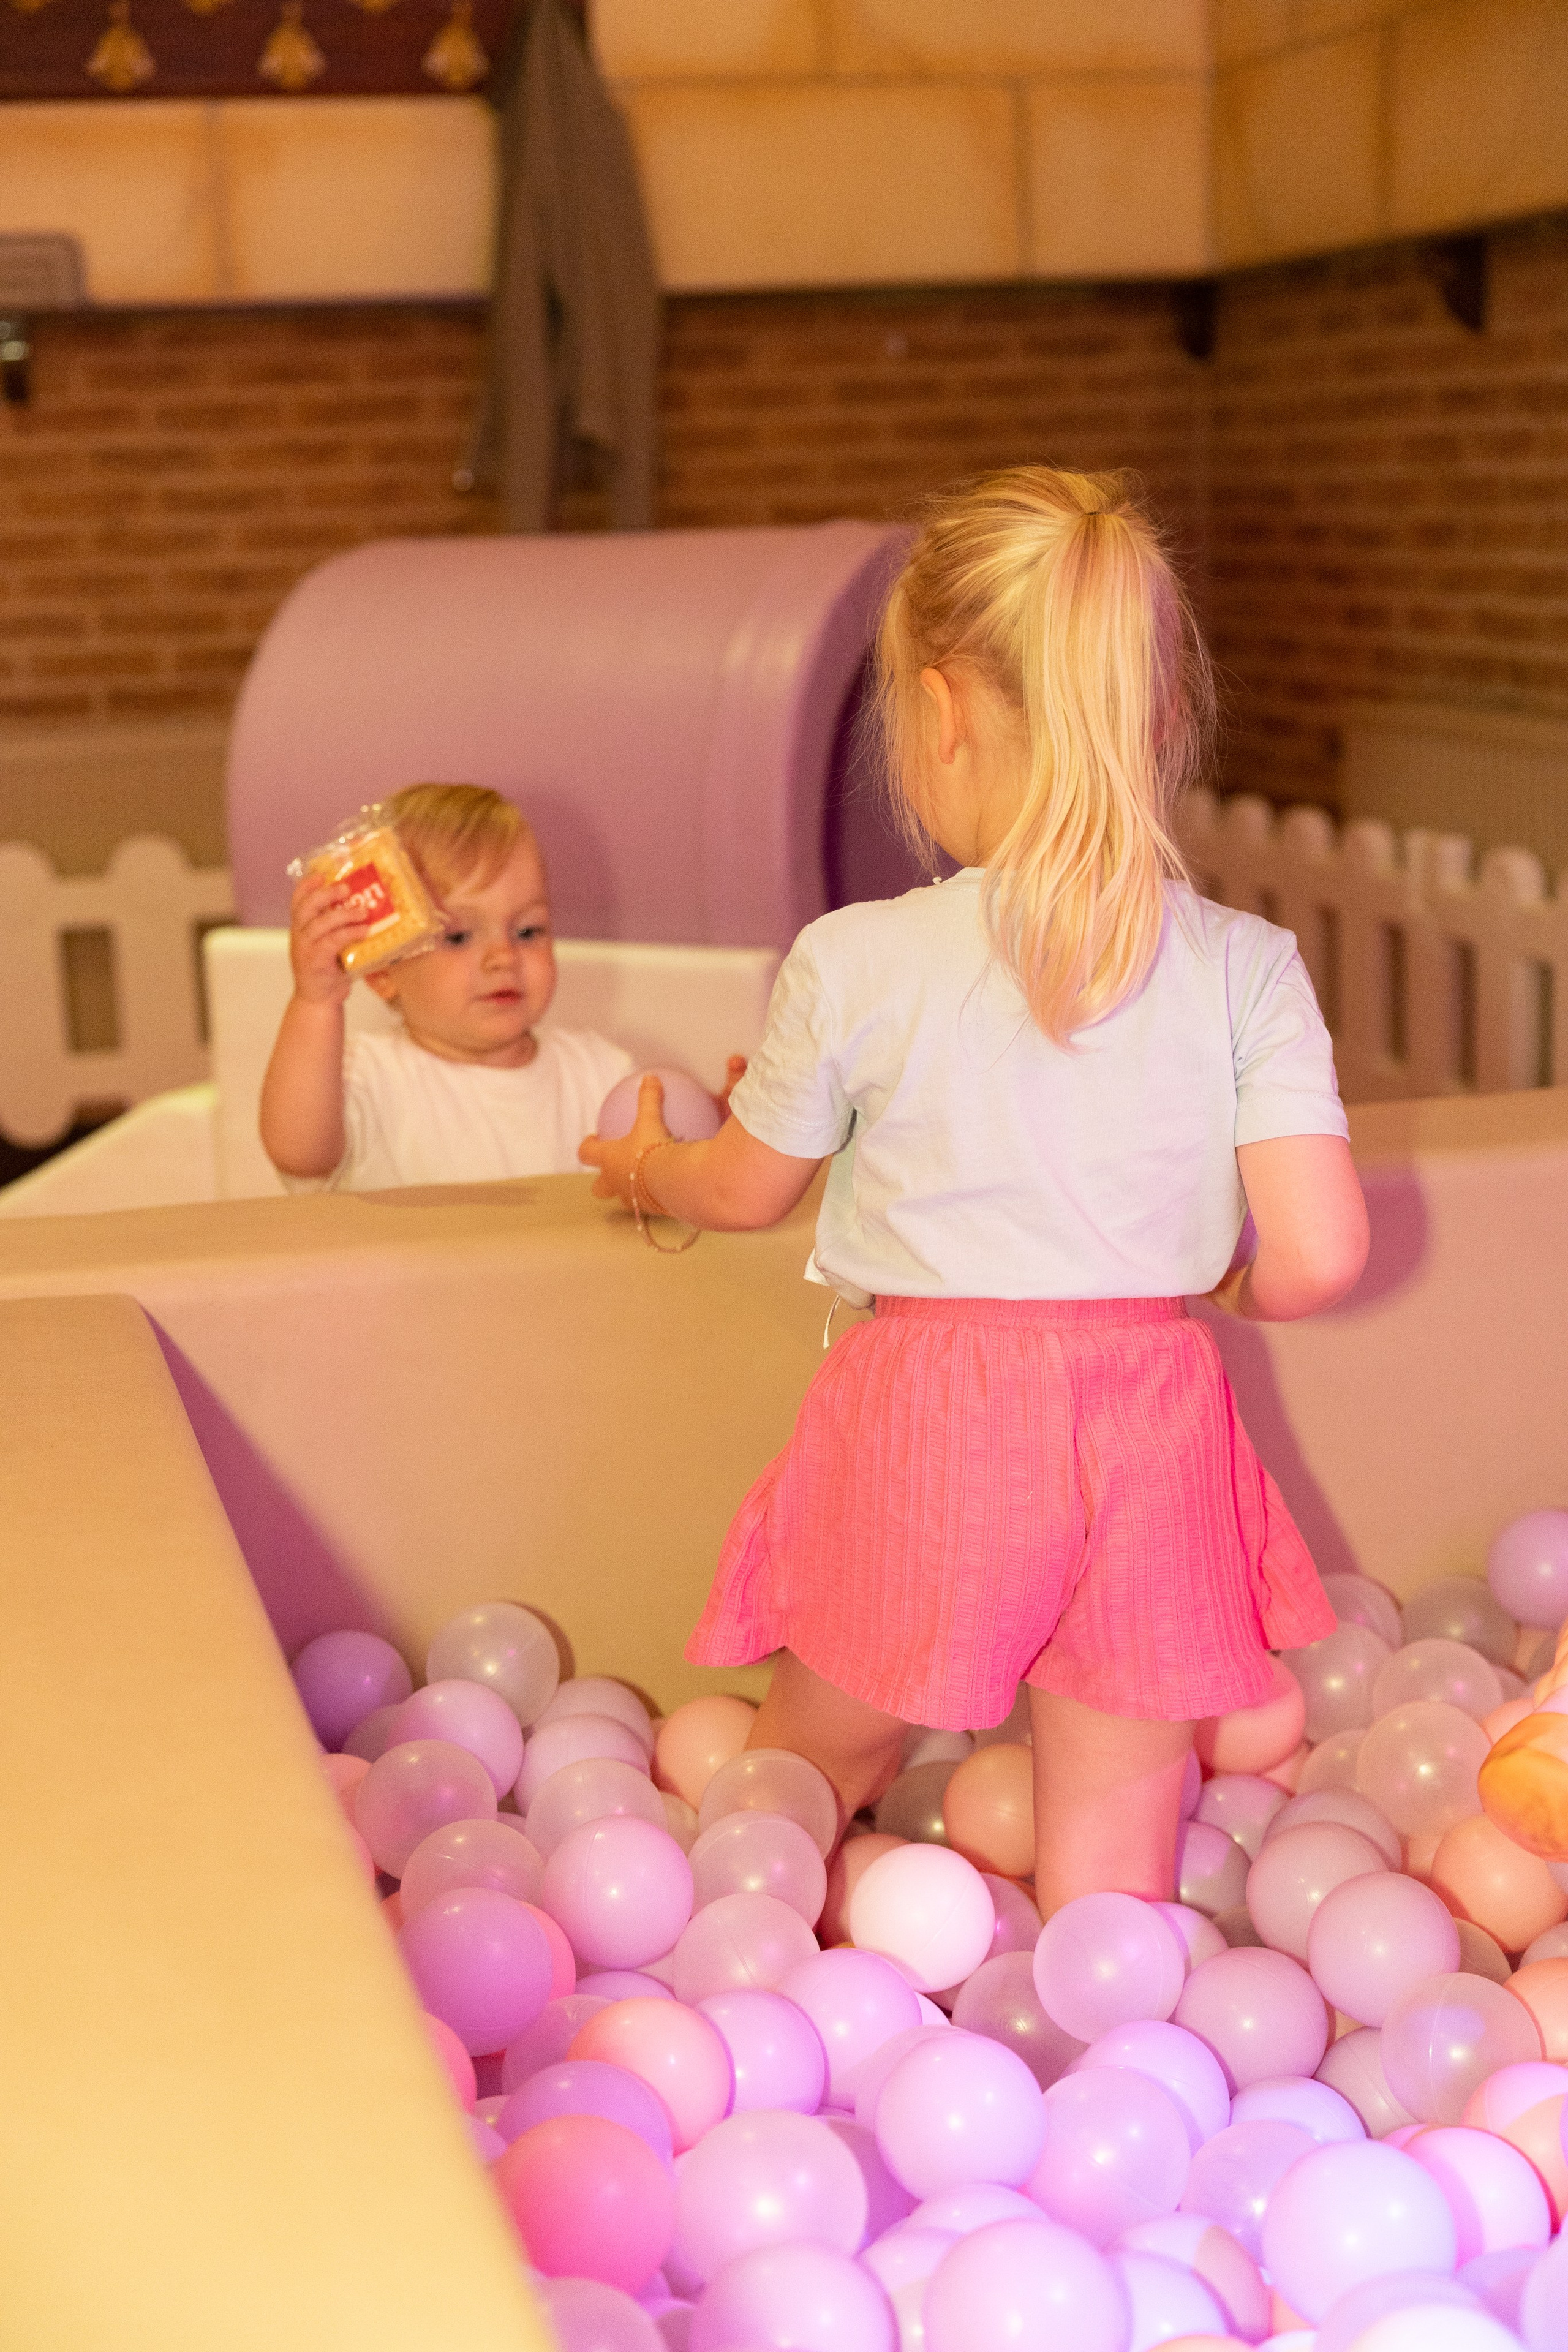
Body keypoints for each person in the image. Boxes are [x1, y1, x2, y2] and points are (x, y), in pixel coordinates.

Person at [581, 466, 1369, 1916]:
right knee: (1117, 1825)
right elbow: (1319, 1252)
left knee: (811, 1758)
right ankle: (1107, 2039)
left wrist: (644, 1162)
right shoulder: (1244, 963)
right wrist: (1228, 1283)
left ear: (939, 710)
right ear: (1152, 714)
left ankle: (769, 1931)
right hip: (1153, 1409)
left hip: (935, 1414)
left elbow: (748, 1188)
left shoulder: (856, 957)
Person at [260, 783, 636, 1191]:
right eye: (457, 938)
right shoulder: (367, 1079)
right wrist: (317, 1001)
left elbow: (663, 1180)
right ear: (382, 970)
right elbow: (300, 1154)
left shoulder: (600, 1076)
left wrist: (708, 1126)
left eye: (528, 931)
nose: (503, 957)